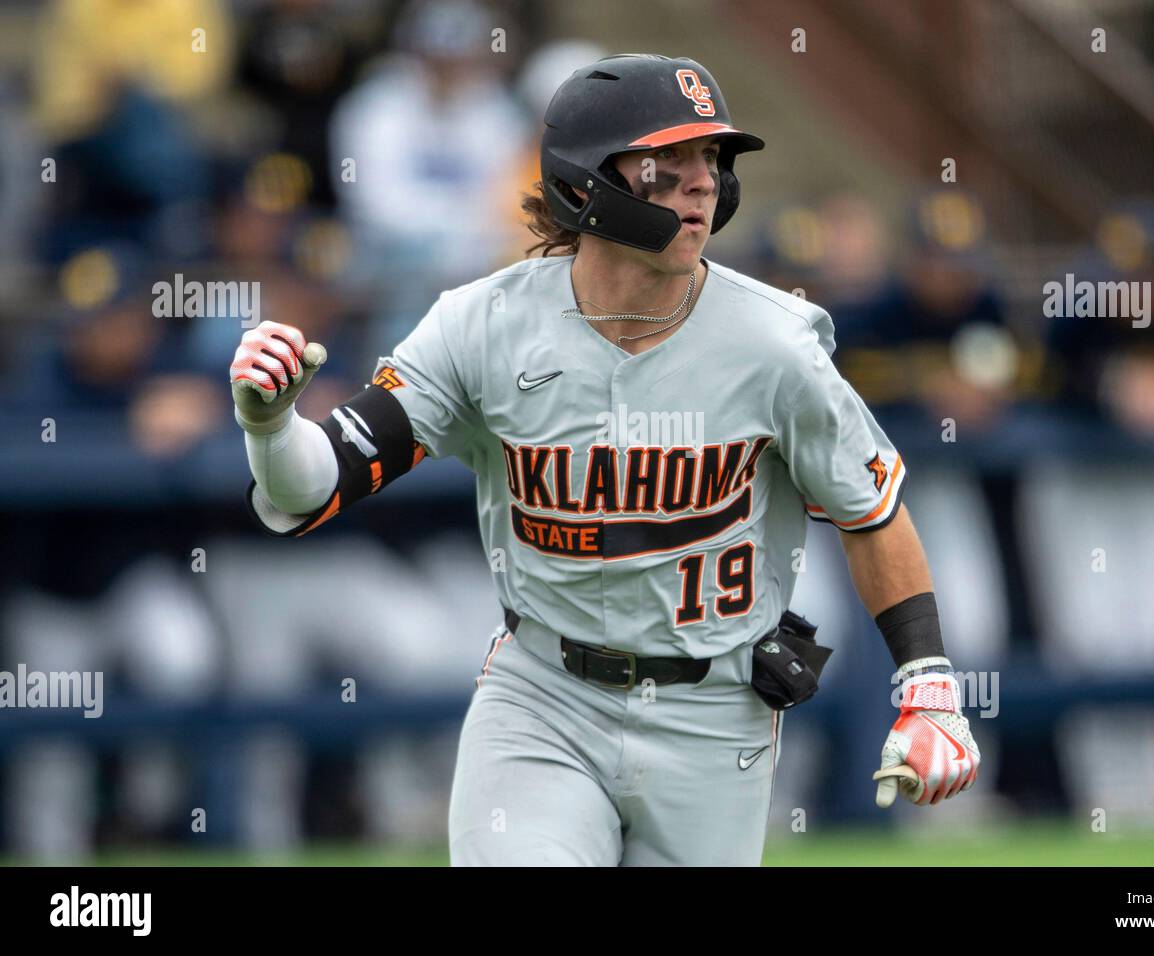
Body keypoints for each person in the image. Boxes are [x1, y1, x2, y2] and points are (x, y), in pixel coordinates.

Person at [228, 54, 979, 866]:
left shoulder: (773, 341)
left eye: (712, 160)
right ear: (586, 181)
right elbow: (316, 486)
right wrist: (271, 425)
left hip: (714, 712)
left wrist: (928, 682)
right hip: (542, 697)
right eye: (670, 160)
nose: (702, 182)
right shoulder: (482, 325)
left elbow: (872, 511)